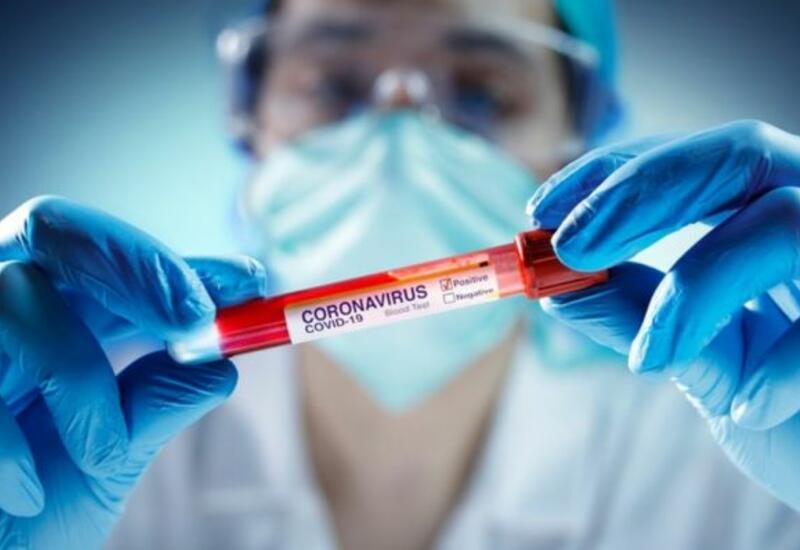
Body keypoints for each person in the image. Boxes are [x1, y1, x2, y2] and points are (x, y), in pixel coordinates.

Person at [0, 0, 799, 549]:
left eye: (482, 92)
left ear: (577, 144)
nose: (399, 133)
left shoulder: (734, 468)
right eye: (333, 84)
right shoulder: (70, 435)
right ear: (250, 127)